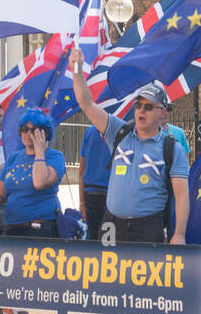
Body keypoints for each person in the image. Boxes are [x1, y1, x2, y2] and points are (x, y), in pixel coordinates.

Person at [70, 47, 188, 244]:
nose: (141, 110)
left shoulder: (173, 149)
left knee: (145, 275)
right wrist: (76, 69)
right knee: (106, 275)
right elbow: (86, 104)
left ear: (162, 112)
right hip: (111, 224)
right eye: (138, 105)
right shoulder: (119, 131)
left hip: (147, 227)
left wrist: (179, 234)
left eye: (149, 107)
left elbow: (182, 195)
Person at [0, 110, 66, 238]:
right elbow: (1, 193)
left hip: (40, 228)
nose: (28, 134)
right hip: (12, 228)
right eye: (24, 129)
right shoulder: (13, 158)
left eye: (34, 130)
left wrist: (39, 151)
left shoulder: (55, 156)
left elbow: (39, 183)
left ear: (45, 132)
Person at [78, 123, 112, 230]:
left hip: (91, 195)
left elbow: (81, 172)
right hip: (111, 196)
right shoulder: (121, 131)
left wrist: (82, 203)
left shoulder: (89, 131)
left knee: (93, 241)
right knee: (109, 242)